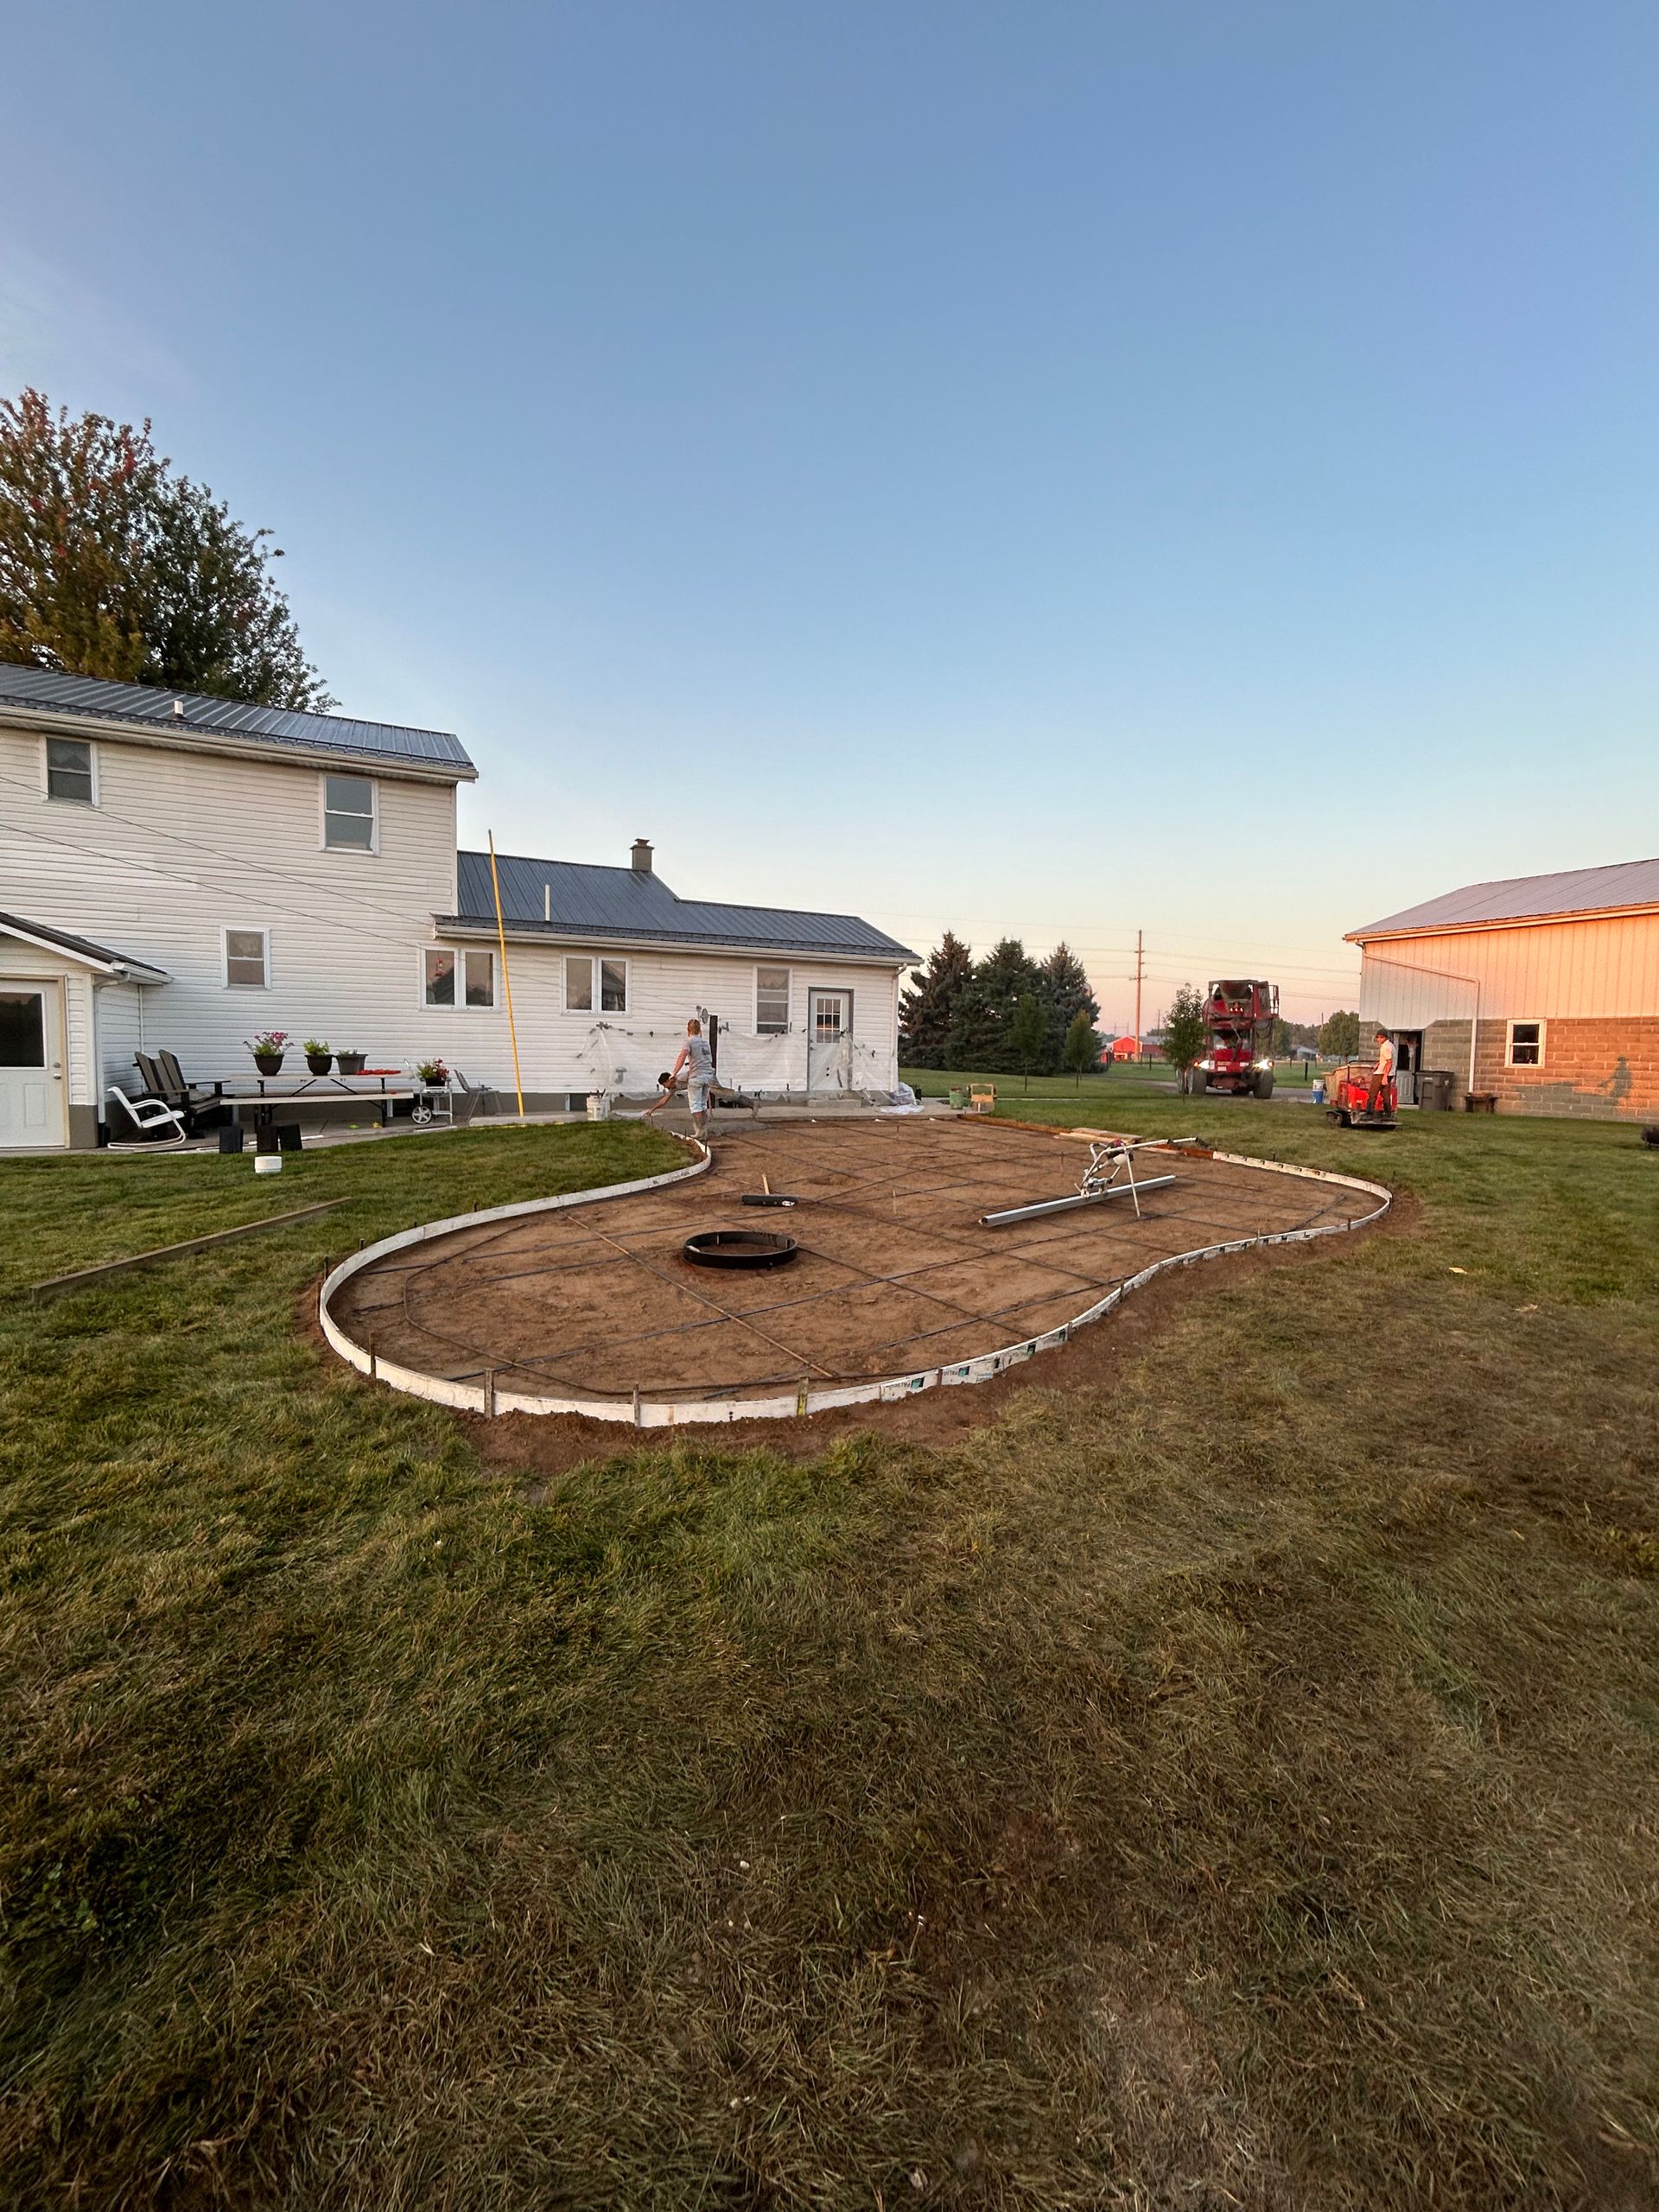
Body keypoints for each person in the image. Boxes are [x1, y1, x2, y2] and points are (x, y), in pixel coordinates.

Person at [670, 1017, 716, 1144]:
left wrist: (674, 1073)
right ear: (700, 1029)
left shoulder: (688, 1041)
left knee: (695, 1105)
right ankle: (704, 1131)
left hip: (696, 1076)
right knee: (703, 1104)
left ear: (688, 1030)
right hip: (708, 1076)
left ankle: (699, 1132)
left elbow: (683, 1055)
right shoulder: (705, 1043)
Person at [1365, 1028, 1395, 1116]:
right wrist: (1378, 1063)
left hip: (1382, 1073)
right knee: (1385, 1093)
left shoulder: (1385, 1047)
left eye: (1380, 1037)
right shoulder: (1391, 1045)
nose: (1378, 1039)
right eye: (1377, 1037)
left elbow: (1389, 1062)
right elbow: (1386, 1059)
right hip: (1390, 1073)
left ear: (1384, 1038)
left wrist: (1385, 1077)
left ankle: (1369, 1113)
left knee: (1372, 1092)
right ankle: (1388, 1113)